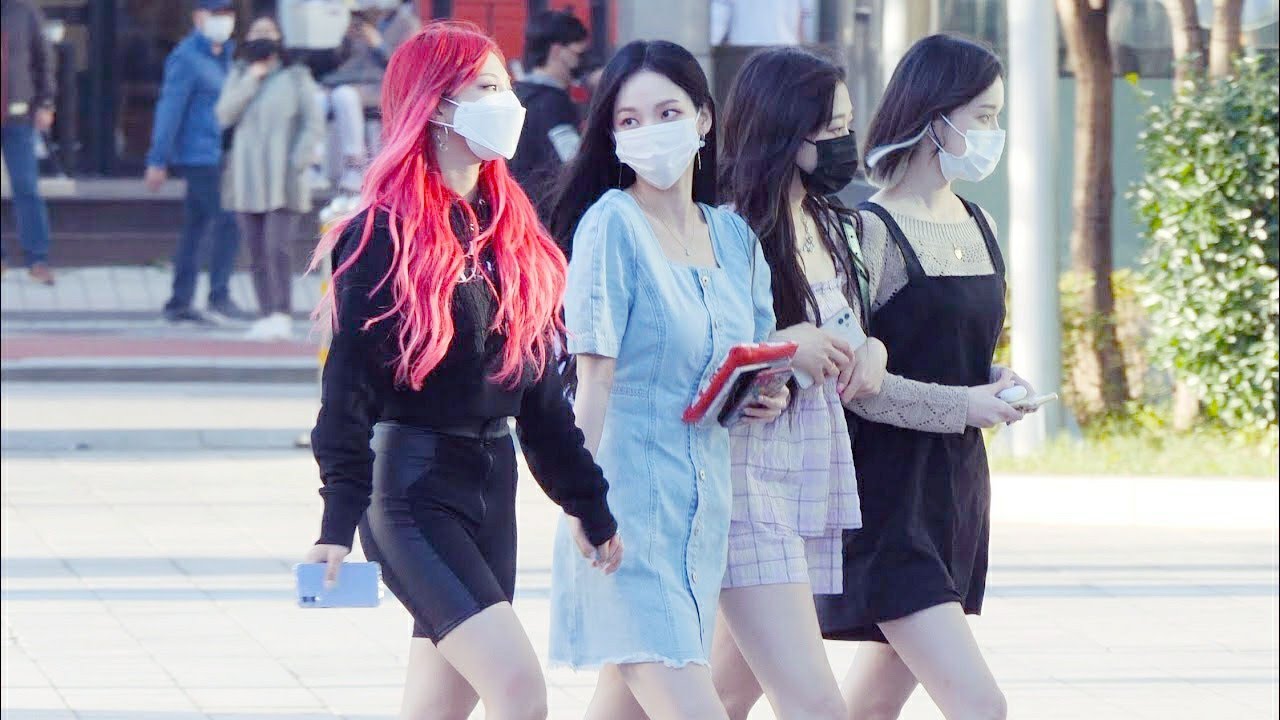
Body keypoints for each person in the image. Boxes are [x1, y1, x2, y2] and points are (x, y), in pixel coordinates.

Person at [302, 22, 623, 720]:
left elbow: (540, 400)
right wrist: (336, 520)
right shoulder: (380, 235)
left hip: (492, 484)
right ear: (435, 102)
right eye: (486, 88)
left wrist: (589, 504)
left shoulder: (511, 229)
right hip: (412, 491)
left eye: (505, 86)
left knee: (440, 706)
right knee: (518, 689)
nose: (507, 102)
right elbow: (347, 390)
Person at [545, 40, 788, 720]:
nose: (649, 131)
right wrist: (581, 502)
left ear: (703, 119)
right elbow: (592, 379)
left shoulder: (734, 237)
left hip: (701, 513)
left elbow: (756, 352)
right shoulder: (611, 226)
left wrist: (767, 392)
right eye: (629, 120)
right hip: (623, 513)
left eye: (667, 112)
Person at [811, 34, 1037, 720]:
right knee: (980, 705)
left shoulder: (980, 221)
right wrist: (966, 404)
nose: (993, 132)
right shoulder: (869, 230)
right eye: (983, 116)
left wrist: (993, 380)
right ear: (935, 116)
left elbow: (949, 349)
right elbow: (858, 385)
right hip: (887, 502)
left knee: (868, 709)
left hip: (955, 494)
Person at [710, 46, 888, 720]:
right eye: (832, 129)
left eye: (848, 125)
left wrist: (872, 350)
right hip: (746, 474)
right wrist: (784, 351)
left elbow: (852, 325)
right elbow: (703, 355)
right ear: (784, 131)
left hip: (806, 468)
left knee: (720, 693)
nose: (846, 142)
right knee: (813, 701)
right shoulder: (729, 230)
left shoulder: (832, 221)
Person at [216, 15, 324, 341]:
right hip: (247, 174)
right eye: (257, 33)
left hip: (283, 174)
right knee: (255, 249)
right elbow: (223, 115)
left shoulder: (295, 76)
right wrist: (251, 79)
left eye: (269, 33)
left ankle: (282, 312)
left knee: (277, 246)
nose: (262, 38)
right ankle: (265, 314)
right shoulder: (239, 73)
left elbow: (313, 123)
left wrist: (299, 160)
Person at [144, 0, 251, 324]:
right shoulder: (186, 58)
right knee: (227, 220)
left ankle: (179, 301)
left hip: (223, 153)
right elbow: (170, 108)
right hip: (199, 153)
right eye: (216, 14)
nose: (223, 20)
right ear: (198, 17)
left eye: (227, 14)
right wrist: (158, 159)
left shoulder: (229, 57)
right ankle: (219, 295)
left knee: (197, 225)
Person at [509, 9, 589, 216]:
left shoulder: (517, 94)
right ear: (557, 51)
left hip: (518, 212)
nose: (582, 63)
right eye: (578, 54)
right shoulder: (553, 103)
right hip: (546, 218)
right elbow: (574, 163)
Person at [1, 0, 56, 285]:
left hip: (18, 116)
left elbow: (43, 59)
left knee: (26, 187)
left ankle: (37, 260)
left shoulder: (24, 11)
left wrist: (46, 102)